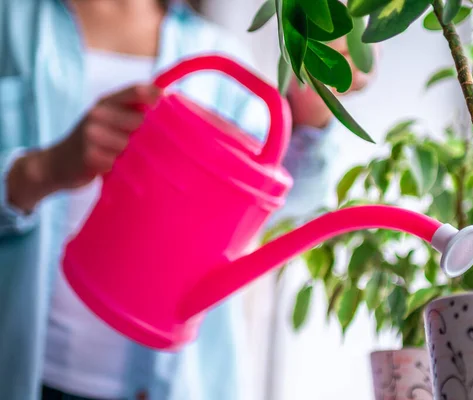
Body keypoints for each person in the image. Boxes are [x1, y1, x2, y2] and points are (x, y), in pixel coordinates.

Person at [0, 0, 375, 399]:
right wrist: (42, 168)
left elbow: (288, 202)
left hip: (179, 384)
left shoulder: (219, 53)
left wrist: (313, 109)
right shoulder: (11, 22)